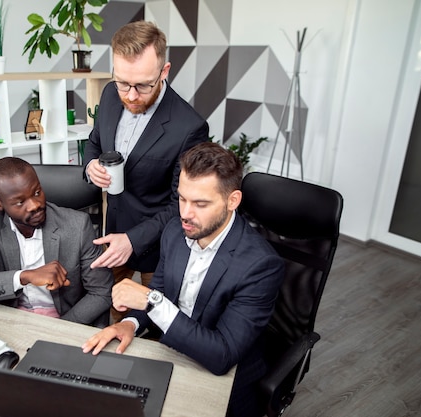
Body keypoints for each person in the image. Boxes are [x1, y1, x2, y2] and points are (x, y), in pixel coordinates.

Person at [82, 142, 285, 416]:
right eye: (182, 198)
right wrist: (131, 323)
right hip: (173, 354)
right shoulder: (176, 232)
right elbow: (161, 289)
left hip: (224, 380)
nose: (185, 214)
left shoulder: (261, 265)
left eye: (200, 203)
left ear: (232, 201)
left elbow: (221, 356)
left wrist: (151, 302)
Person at [82, 20, 209, 320]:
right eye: (123, 82)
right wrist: (91, 165)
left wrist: (133, 240)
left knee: (155, 326)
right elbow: (95, 140)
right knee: (117, 319)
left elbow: (181, 204)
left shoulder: (189, 127)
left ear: (164, 72)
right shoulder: (111, 94)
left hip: (159, 248)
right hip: (112, 236)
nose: (130, 95)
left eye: (142, 85)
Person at [0, 157, 112, 327]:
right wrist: (24, 276)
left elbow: (101, 292)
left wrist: (60, 330)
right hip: (12, 318)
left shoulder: (77, 225)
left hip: (64, 319)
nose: (34, 205)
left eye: (37, 193)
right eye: (20, 202)